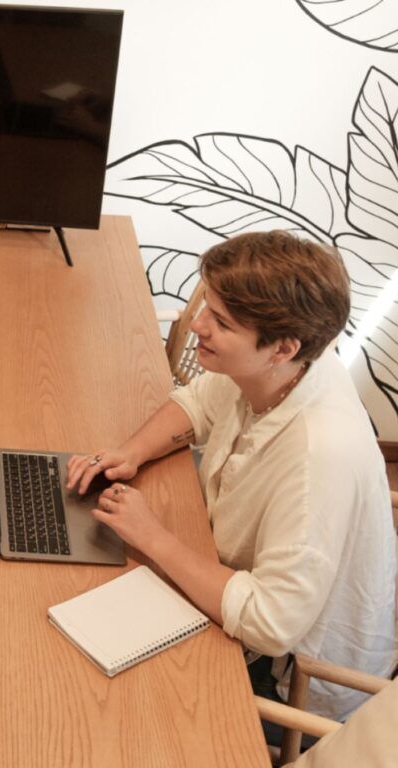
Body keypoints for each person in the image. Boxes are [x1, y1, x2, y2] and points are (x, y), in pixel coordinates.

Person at [66, 231, 397, 722]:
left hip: (294, 676)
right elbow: (200, 403)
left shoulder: (317, 460)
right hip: (235, 576)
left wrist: (154, 537)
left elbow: (269, 624)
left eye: (219, 322)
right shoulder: (292, 367)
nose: (198, 324)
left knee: (99, 701)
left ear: (281, 348)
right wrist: (130, 452)